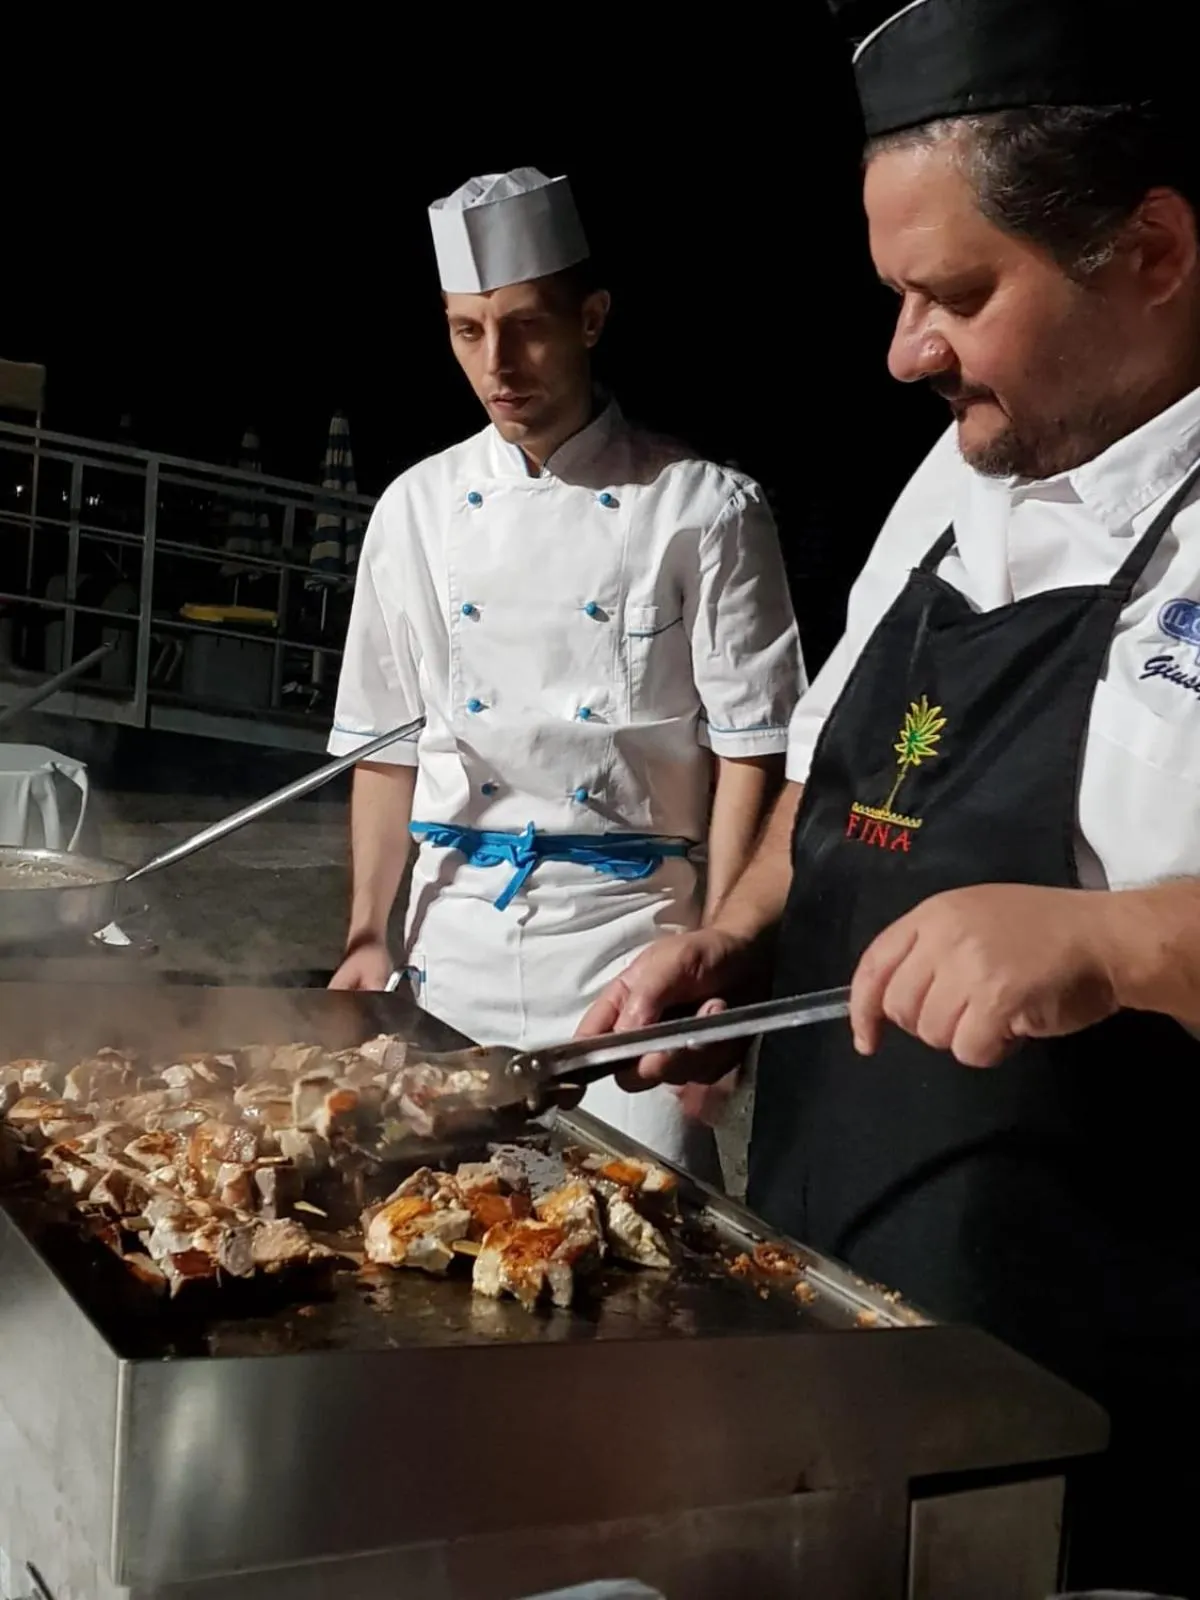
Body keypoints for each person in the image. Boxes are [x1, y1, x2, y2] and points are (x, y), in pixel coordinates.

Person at [577, 2, 1200, 1589]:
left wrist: (1126, 942)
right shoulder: (963, 463)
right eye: (899, 294)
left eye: (958, 296)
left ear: (1153, 253)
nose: (905, 352)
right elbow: (842, 785)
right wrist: (731, 938)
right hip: (832, 1311)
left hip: (1084, 1417)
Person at [327, 167, 800, 1180]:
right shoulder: (413, 510)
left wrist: (721, 953)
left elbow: (751, 753)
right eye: (466, 330)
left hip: (628, 958)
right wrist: (367, 931)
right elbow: (385, 746)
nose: (498, 363)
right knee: (422, 1235)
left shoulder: (706, 508)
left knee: (646, 1252)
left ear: (591, 318)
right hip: (445, 954)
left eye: (528, 325)